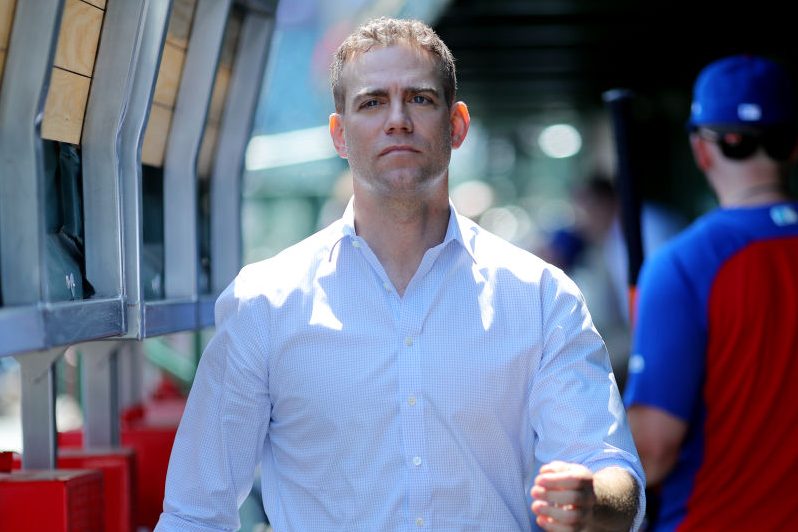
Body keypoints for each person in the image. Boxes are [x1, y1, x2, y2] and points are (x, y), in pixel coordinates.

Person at [156, 17, 644, 531]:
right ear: (339, 134)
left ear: (456, 125)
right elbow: (194, 515)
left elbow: (616, 478)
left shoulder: (541, 297)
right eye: (372, 102)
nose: (397, 120)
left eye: (420, 99)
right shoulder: (264, 305)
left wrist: (592, 500)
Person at [623, 54, 798, 530]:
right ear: (792, 146)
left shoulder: (684, 263)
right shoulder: (687, 263)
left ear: (701, 149)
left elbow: (652, 452)